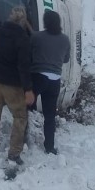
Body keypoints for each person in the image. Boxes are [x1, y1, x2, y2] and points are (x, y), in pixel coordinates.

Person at [0, 5, 35, 164]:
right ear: (23, 21)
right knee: (20, 116)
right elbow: (24, 66)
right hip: (12, 85)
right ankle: (14, 153)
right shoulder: (22, 38)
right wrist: (28, 89)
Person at [31, 9, 71, 155]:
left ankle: (23, 140)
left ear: (45, 22)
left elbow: (29, 51)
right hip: (55, 81)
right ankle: (49, 147)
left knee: (26, 108)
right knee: (49, 116)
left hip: (38, 78)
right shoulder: (65, 39)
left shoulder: (38, 37)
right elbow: (66, 59)